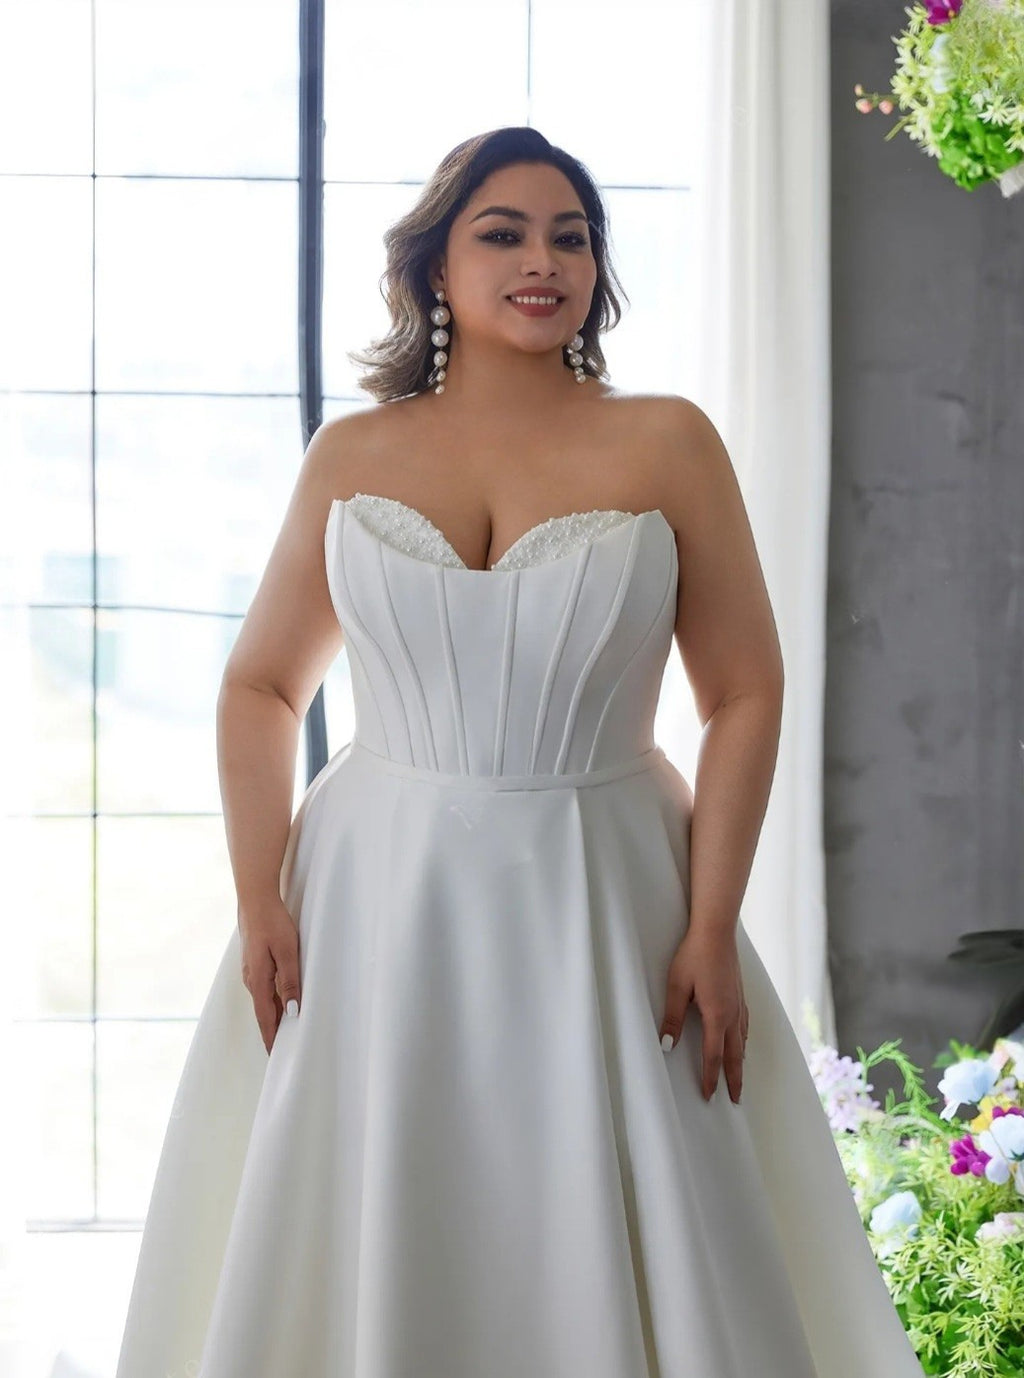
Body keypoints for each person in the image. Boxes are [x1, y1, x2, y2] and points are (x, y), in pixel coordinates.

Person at [115, 126, 925, 1377]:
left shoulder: (667, 441)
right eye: (502, 233)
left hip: (606, 890)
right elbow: (261, 684)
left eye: (571, 235)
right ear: (435, 268)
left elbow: (745, 692)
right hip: (378, 899)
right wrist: (258, 898)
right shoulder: (353, 456)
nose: (541, 259)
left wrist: (711, 925)